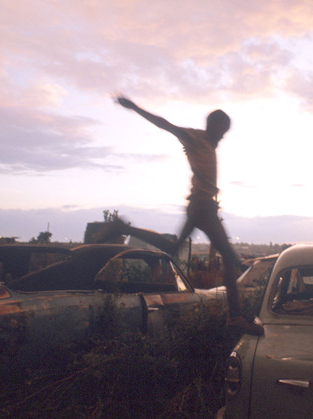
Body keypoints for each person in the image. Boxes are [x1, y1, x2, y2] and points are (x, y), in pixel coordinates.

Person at [113, 95, 263, 336]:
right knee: (226, 255)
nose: (222, 137)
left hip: (201, 206)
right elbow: (164, 124)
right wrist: (135, 108)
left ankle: (125, 228)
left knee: (174, 248)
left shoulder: (209, 143)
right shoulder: (195, 137)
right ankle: (234, 317)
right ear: (212, 126)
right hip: (202, 206)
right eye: (221, 131)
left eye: (225, 133)